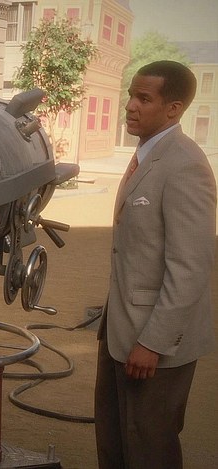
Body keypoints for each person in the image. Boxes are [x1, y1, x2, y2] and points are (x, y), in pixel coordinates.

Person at [94, 60, 216, 469]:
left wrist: (153, 342)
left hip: (154, 343)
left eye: (144, 99)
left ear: (173, 109)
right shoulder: (147, 155)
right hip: (120, 330)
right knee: (115, 441)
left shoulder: (185, 165)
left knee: (148, 448)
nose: (130, 106)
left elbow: (190, 267)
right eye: (131, 95)